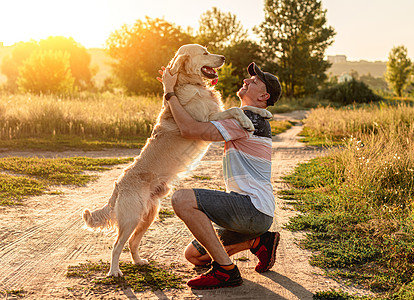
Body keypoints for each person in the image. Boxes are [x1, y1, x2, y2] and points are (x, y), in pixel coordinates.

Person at [158, 62, 282, 289]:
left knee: (181, 199)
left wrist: (170, 92)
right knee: (194, 256)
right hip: (252, 215)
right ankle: (258, 241)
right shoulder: (249, 117)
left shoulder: (248, 121)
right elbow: (203, 118)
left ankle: (226, 271)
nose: (246, 80)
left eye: (253, 82)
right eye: (248, 79)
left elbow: (190, 130)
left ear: (264, 95)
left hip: (251, 209)